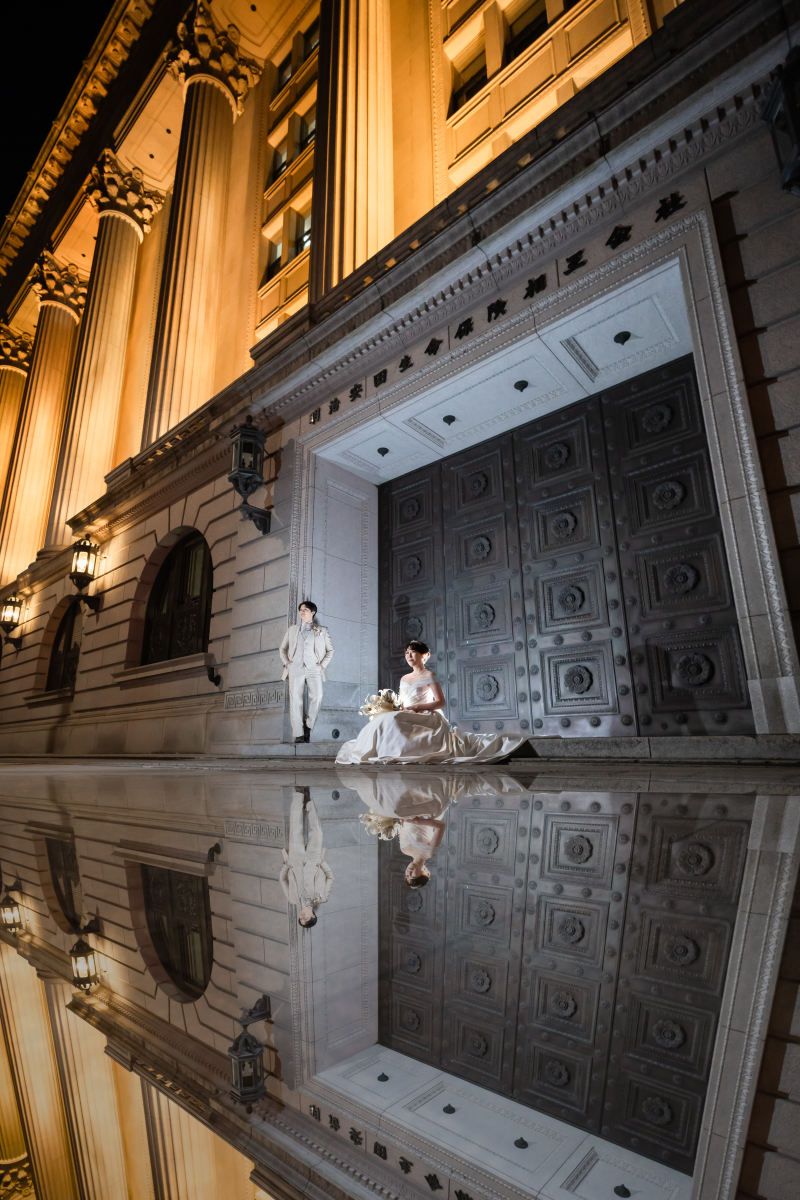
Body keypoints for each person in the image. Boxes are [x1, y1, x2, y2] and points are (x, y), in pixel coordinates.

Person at [335, 639, 537, 765]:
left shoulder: (429, 675)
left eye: (413, 652)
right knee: (384, 720)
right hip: (407, 712)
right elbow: (400, 701)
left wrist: (415, 708)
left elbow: (440, 703)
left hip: (427, 716)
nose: (409, 656)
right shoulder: (404, 679)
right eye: (406, 653)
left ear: (424, 655)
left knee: (393, 721)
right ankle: (374, 750)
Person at [280, 600, 335, 743]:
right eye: (300, 610)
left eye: (305, 609)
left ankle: (308, 726)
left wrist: (322, 665)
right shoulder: (292, 629)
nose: (302, 612)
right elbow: (282, 648)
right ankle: (298, 733)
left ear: (313, 612)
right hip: (295, 669)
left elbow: (331, 650)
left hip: (314, 669)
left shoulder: (322, 630)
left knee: (318, 696)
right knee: (295, 700)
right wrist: (287, 663)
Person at [279, 789, 334, 926]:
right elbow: (331, 877)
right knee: (317, 832)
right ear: (313, 915)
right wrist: (322, 863)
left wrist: (286, 866)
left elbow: (282, 879)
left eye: (301, 919)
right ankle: (308, 802)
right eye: (306, 919)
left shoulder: (292, 899)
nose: (302, 917)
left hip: (295, 860)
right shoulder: (322, 898)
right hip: (314, 859)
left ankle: (298, 796)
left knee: (295, 829)